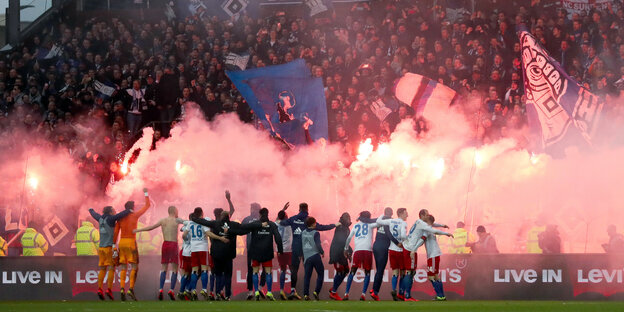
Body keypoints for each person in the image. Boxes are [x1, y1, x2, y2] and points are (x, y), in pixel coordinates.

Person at [278, 203, 336, 300]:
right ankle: (307, 294)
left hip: (296, 248)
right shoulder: (309, 220)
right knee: (308, 272)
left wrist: (283, 210)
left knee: (294, 270)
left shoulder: (293, 218)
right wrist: (334, 225)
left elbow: (281, 222)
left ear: (299, 209)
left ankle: (293, 290)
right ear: (307, 209)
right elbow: (322, 227)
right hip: (307, 249)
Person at [134, 205, 185, 300]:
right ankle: (171, 290)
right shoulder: (177, 220)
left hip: (165, 244)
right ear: (175, 211)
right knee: (174, 269)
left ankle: (160, 289)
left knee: (164, 267)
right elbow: (188, 223)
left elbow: (151, 228)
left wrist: (138, 230)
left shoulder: (163, 220)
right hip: (173, 244)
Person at [88, 204, 133, 300]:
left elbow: (94, 214)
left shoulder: (100, 218)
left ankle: (100, 289)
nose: (115, 211)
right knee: (112, 268)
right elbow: (120, 215)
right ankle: (109, 289)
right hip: (110, 248)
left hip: (101, 248)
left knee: (102, 268)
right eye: (114, 210)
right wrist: (129, 210)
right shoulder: (111, 219)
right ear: (110, 211)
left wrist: (91, 209)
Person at [404, 212, 453, 301]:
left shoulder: (427, 229)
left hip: (433, 255)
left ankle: (440, 296)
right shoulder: (428, 227)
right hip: (434, 254)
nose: (426, 216)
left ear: (427, 220)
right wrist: (442, 225)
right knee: (436, 276)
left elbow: (422, 240)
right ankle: (441, 296)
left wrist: (414, 249)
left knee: (431, 276)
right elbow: (433, 224)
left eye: (427, 216)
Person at [113, 188, 151, 301]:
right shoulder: (135, 215)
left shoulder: (119, 218)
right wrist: (145, 193)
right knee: (134, 266)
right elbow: (147, 205)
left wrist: (114, 246)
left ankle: (121, 289)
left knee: (123, 267)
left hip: (122, 242)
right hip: (131, 243)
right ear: (132, 207)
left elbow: (115, 233)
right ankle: (130, 289)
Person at [183, 207, 227, 300]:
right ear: (201, 213)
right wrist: (220, 238)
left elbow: (184, 235)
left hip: (193, 249)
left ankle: (193, 290)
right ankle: (204, 289)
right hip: (203, 248)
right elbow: (209, 234)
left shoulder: (190, 223)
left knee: (194, 270)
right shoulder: (203, 222)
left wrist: (190, 241)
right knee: (204, 270)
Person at [358, 207, 400, 300]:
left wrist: (360, 218)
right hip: (383, 247)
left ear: (384, 212)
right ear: (392, 214)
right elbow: (389, 234)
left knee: (378, 270)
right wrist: (397, 243)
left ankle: (374, 290)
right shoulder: (392, 221)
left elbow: (368, 220)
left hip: (376, 246)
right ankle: (375, 292)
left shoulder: (379, 219)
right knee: (380, 270)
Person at [342, 211, 377, 301]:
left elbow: (349, 238)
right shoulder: (371, 225)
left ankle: (346, 293)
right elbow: (379, 221)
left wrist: (346, 248)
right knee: (367, 272)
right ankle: (363, 294)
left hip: (357, 250)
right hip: (368, 250)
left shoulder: (355, 226)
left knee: (352, 272)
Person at [249, 207, 283, 300]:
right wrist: (280, 250)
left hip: (255, 252)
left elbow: (244, 229)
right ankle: (269, 292)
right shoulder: (272, 225)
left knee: (255, 272)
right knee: (268, 272)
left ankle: (256, 291)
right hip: (267, 252)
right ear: (268, 214)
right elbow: (278, 238)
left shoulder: (255, 224)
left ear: (259, 215)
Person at [375, 208, 408, 301]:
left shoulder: (391, 221)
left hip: (392, 249)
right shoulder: (403, 223)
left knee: (395, 272)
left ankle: (394, 289)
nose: (407, 215)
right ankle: (401, 293)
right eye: (406, 213)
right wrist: (406, 239)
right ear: (401, 214)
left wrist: (383, 214)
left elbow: (378, 221)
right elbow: (402, 235)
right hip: (400, 249)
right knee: (402, 273)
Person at [242, 201, 264, 299]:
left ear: (252, 209)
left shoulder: (246, 219)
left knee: (251, 270)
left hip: (251, 249)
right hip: (262, 248)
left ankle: (251, 291)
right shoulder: (263, 219)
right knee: (267, 269)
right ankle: (260, 287)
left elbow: (240, 231)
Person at [328, 212, 351, 301]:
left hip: (342, 253)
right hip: (337, 253)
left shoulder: (346, 228)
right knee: (340, 271)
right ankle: (333, 292)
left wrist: (348, 252)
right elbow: (341, 241)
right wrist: (348, 251)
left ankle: (334, 287)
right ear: (344, 219)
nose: (349, 219)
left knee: (346, 270)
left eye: (349, 218)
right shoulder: (341, 227)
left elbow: (345, 242)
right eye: (347, 218)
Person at [302, 217, 325, 301]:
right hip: (315, 255)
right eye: (315, 223)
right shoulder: (316, 233)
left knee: (307, 276)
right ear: (313, 224)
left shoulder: (303, 232)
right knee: (321, 273)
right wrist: (322, 252)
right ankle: (316, 292)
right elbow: (318, 244)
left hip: (306, 257)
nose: (316, 224)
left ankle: (305, 295)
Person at [276, 203, 293, 300]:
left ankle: (281, 290)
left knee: (283, 270)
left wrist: (283, 209)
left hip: (279, 250)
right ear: (286, 216)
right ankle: (292, 290)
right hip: (288, 250)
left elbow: (277, 219)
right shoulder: (290, 225)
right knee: (292, 270)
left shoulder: (276, 224)